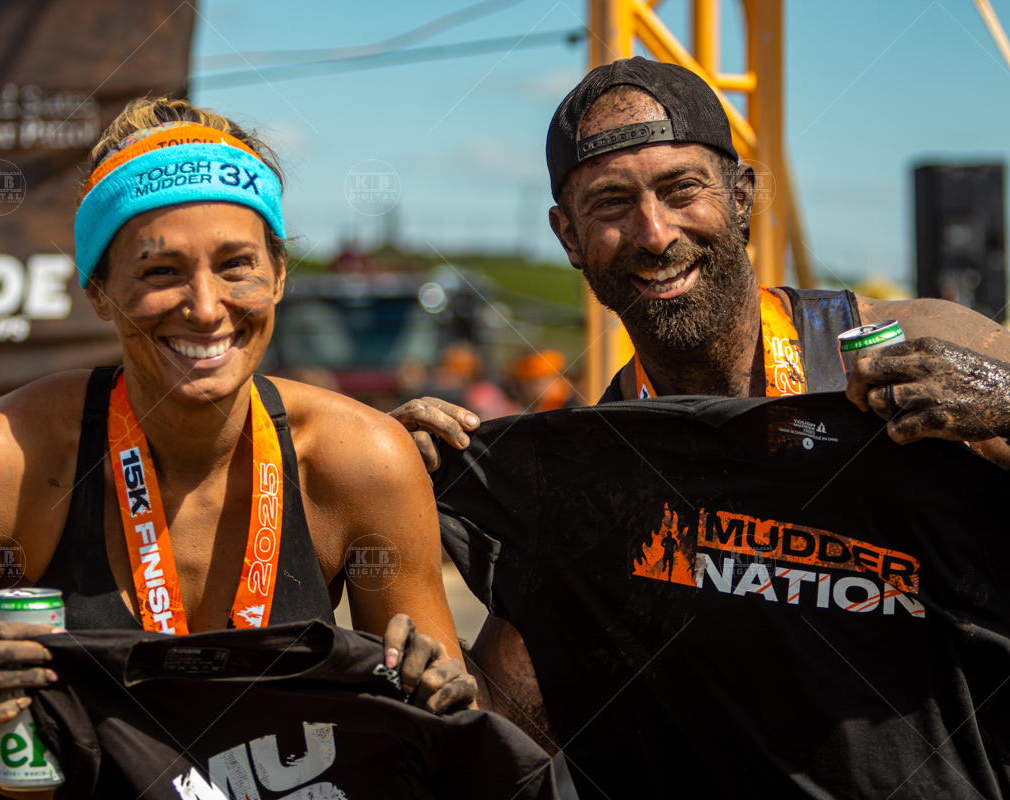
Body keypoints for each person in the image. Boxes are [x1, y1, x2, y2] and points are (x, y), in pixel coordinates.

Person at [0, 98, 474, 799]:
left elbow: (452, 749)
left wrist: (443, 700)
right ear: (99, 291)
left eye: (237, 265)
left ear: (280, 276)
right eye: (161, 272)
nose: (204, 307)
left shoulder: (364, 459)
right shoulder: (8, 457)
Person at [391, 57, 1010, 768]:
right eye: (612, 205)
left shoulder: (904, 345)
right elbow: (502, 729)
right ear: (568, 238)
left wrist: (1004, 401)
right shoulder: (598, 478)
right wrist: (394, 494)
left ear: (743, 196)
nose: (654, 234)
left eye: (681, 189)